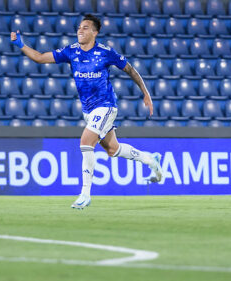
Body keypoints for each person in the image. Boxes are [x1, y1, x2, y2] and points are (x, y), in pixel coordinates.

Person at [11, 14, 163, 209]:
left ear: (94, 32)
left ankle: (85, 194)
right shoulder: (71, 52)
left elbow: (130, 70)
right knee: (112, 149)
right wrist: (21, 45)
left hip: (106, 106)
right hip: (89, 111)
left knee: (85, 141)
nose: (80, 31)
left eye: (85, 28)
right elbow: (40, 58)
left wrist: (146, 93)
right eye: (79, 27)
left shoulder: (106, 52)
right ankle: (151, 159)